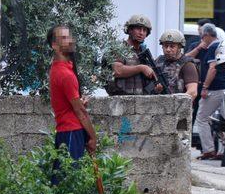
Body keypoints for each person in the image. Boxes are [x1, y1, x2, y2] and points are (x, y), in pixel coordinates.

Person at [48, 25, 97, 162]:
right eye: (63, 38)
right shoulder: (65, 74)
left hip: (67, 132)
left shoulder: (58, 68)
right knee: (67, 179)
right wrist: (93, 137)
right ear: (54, 46)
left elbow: (71, 104)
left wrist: (79, 102)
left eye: (69, 36)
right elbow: (80, 111)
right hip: (71, 132)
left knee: (65, 179)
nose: (70, 40)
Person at [186, 23, 225, 160]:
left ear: (206, 36)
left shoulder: (213, 47)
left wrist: (205, 87)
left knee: (201, 118)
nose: (201, 39)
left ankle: (209, 150)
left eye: (202, 36)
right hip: (222, 88)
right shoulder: (221, 45)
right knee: (220, 121)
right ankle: (221, 150)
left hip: (213, 89)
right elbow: (186, 58)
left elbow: (212, 68)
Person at [106, 14, 156, 95]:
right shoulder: (119, 48)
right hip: (119, 100)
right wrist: (141, 68)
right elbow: (117, 71)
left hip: (141, 101)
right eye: (138, 29)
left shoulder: (144, 53)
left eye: (144, 30)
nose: (141, 33)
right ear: (130, 30)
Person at [155, 29, 199, 99]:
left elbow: (192, 92)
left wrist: (175, 104)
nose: (168, 49)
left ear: (179, 47)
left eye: (172, 46)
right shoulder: (158, 61)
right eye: (165, 46)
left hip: (178, 107)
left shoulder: (187, 65)